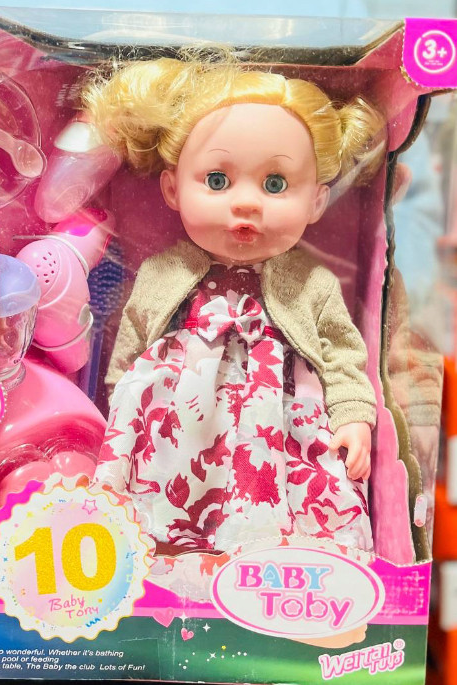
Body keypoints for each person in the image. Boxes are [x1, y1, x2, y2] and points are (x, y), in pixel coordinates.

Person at [87, 52, 384, 554]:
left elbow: (341, 352)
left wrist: (354, 414)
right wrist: (119, 401)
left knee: (299, 502)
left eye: (275, 184)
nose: (246, 202)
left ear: (317, 201)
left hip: (279, 424)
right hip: (179, 420)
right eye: (217, 181)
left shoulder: (311, 282)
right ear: (172, 188)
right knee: (155, 506)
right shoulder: (165, 271)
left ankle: (283, 564)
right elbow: (135, 337)